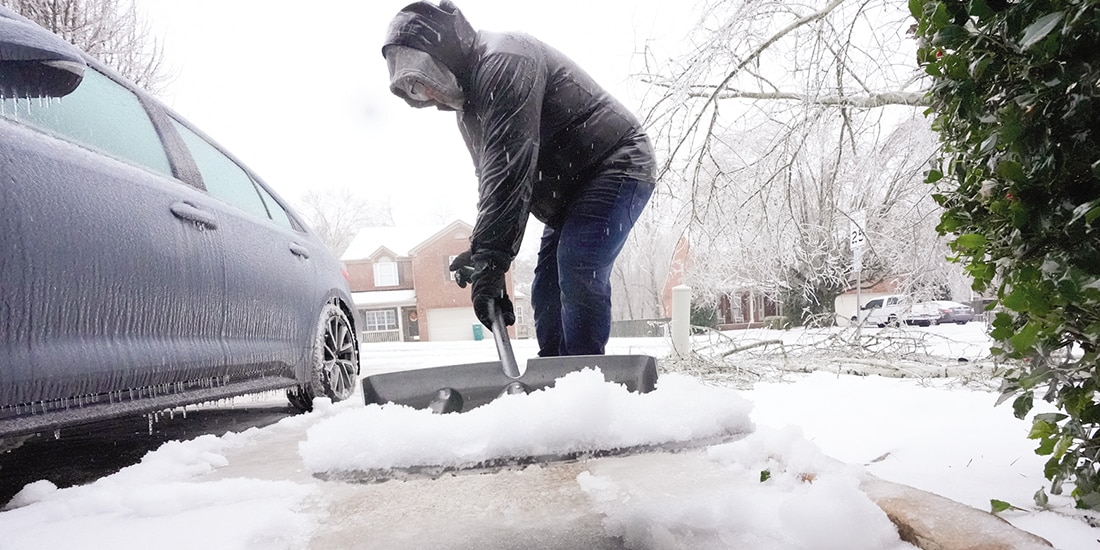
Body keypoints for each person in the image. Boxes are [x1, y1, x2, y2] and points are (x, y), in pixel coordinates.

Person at [382, 1, 656, 357]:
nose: (429, 94)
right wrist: (482, 251)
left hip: (613, 162)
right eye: (416, 89)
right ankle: (555, 380)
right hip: (568, 192)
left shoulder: (506, 60)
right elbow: (493, 183)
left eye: (426, 77)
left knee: (577, 265)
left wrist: (493, 263)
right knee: (546, 290)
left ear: (446, 53)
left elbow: (510, 172)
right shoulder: (470, 110)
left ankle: (588, 380)